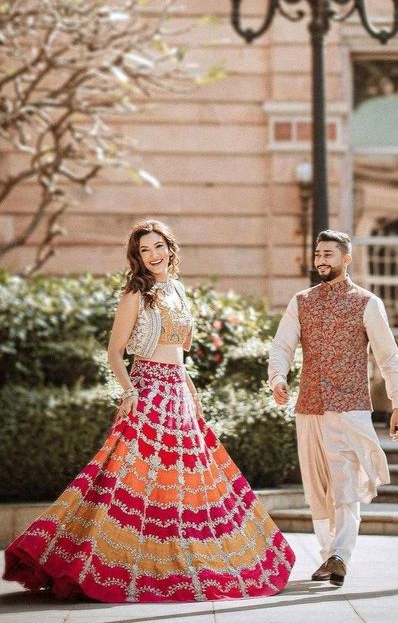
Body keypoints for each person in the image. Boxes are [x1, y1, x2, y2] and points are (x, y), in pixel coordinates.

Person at [3, 219, 294, 603]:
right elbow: (115, 353)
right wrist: (129, 392)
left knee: (186, 486)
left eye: (159, 247)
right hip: (149, 393)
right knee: (132, 483)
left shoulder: (177, 290)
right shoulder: (135, 295)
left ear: (171, 249)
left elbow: (180, 355)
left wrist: (193, 393)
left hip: (179, 392)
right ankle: (107, 561)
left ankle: (184, 561)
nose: (153, 255)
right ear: (137, 257)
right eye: (145, 250)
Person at [268, 230, 398, 588]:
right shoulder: (302, 301)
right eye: (318, 254)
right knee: (316, 486)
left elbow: (388, 356)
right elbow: (282, 345)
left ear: (347, 258)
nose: (321, 260)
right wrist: (277, 378)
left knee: (345, 483)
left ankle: (340, 554)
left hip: (350, 407)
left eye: (328, 254)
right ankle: (328, 555)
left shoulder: (367, 302)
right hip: (309, 405)